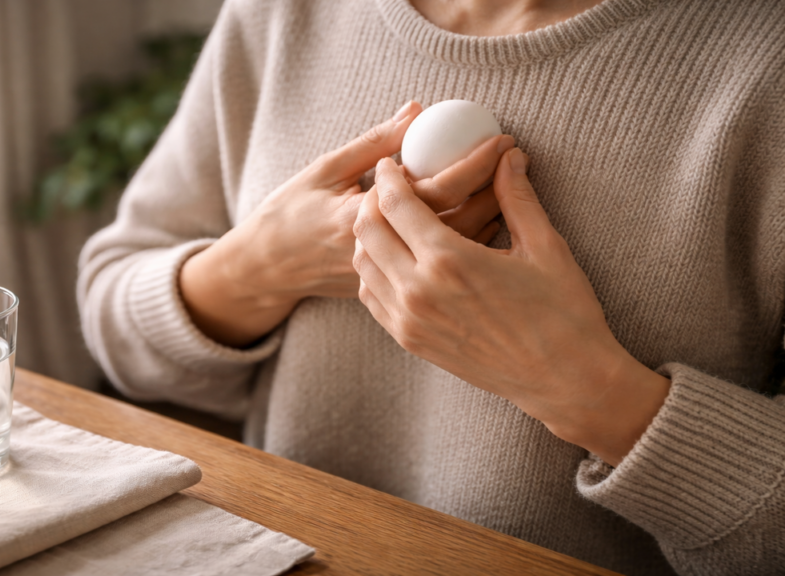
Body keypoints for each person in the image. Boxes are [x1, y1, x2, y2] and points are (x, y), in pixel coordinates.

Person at [76, 0, 785, 573]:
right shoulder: (282, 15)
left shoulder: (764, 61)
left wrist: (584, 387)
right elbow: (112, 316)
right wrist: (259, 266)